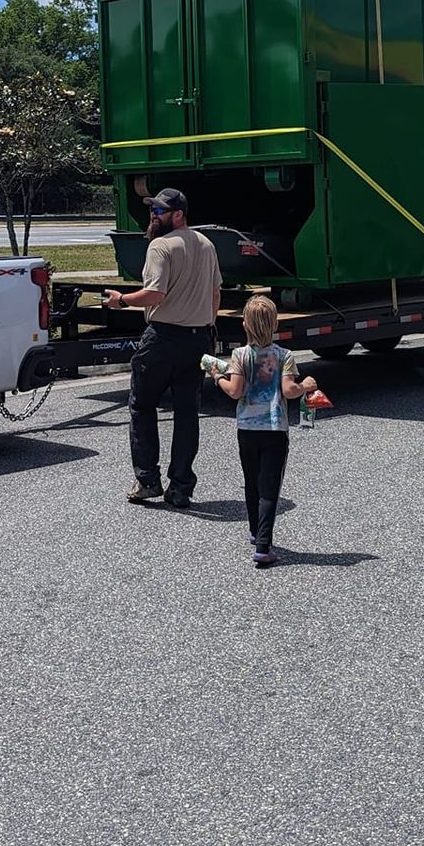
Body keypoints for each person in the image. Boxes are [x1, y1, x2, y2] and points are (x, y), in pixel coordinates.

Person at [104, 186, 221, 509]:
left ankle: (147, 479)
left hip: (163, 337)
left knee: (142, 405)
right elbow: (215, 294)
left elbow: (155, 294)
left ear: (178, 214)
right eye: (153, 210)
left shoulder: (161, 246)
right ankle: (181, 486)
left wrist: (121, 300)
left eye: (159, 211)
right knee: (187, 413)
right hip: (198, 338)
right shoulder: (207, 244)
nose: (153, 215)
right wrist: (207, 327)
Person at [209, 295, 315, 568]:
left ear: (244, 325)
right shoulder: (284, 356)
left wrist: (217, 376)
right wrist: (306, 385)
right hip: (274, 428)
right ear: (276, 324)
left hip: (246, 427)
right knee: (270, 487)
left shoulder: (239, 355)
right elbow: (289, 391)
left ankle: (256, 530)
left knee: (251, 481)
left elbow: (235, 391)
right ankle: (263, 547)